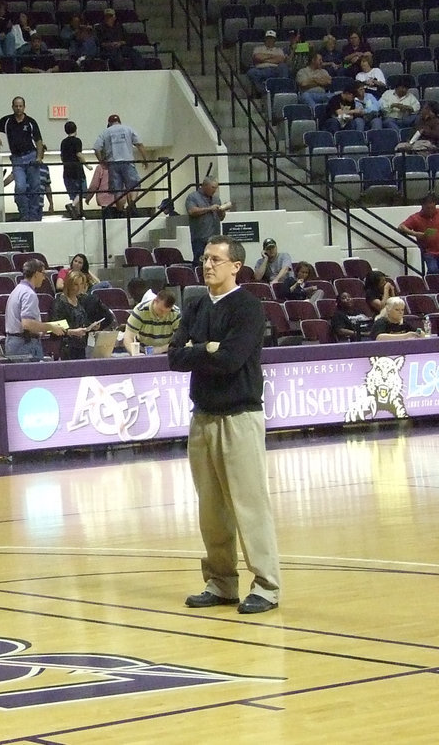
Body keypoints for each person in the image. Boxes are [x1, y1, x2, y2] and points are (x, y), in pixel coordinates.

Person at [168, 234, 280, 615]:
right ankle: (221, 582)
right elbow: (173, 357)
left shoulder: (248, 307)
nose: (208, 264)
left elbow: (231, 359)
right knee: (211, 510)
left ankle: (266, 585)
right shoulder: (196, 305)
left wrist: (198, 351)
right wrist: (207, 350)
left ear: (236, 266)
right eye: (204, 258)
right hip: (202, 418)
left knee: (249, 506)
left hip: (239, 419)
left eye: (216, 259)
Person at [0, 96, 46, 222]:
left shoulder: (31, 122)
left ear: (24, 107)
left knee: (35, 186)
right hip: (17, 159)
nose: (18, 108)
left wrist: (38, 157)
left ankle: (33, 215)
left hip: (31, 156)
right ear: (12, 107)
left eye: (21, 106)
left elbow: (38, 140)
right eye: (16, 106)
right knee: (20, 187)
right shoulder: (7, 121)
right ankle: (24, 214)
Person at [4, 259, 70, 360]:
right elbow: (27, 324)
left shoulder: (17, 290)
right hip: (25, 345)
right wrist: (51, 327)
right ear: (36, 274)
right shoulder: (29, 294)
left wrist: (43, 328)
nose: (44, 278)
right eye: (43, 274)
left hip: (14, 343)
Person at [49, 270, 113, 360]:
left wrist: (92, 326)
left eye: (81, 284)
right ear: (69, 284)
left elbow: (81, 321)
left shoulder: (81, 300)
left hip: (81, 347)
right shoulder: (59, 303)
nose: (79, 288)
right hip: (65, 349)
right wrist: (72, 332)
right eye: (76, 284)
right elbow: (53, 328)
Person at [92, 114, 148, 212]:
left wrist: (102, 162)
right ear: (119, 121)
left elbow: (96, 148)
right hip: (127, 161)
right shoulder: (128, 129)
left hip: (113, 163)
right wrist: (145, 159)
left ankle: (120, 211)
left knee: (117, 190)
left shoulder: (105, 132)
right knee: (134, 185)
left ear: (109, 123)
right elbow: (139, 144)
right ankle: (132, 203)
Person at [185, 176, 231, 264]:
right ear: (205, 186)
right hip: (200, 238)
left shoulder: (216, 199)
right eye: (213, 187)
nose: (215, 190)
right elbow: (192, 211)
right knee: (201, 262)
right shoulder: (193, 197)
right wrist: (209, 209)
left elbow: (221, 218)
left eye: (216, 188)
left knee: (216, 263)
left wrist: (221, 210)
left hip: (215, 238)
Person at [122, 289, 181, 355]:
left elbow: (180, 338)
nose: (163, 315)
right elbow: (128, 337)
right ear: (155, 301)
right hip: (142, 352)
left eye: (167, 312)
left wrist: (161, 349)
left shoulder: (175, 313)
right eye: (161, 310)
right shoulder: (140, 311)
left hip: (167, 352)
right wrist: (135, 353)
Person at [397, 192, 439, 274]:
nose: (431, 210)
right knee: (433, 270)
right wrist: (416, 234)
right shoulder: (416, 218)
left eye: (432, 208)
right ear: (422, 206)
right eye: (428, 208)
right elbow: (401, 227)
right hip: (429, 251)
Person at [59, 120, 87, 219]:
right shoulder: (77, 141)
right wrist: (87, 165)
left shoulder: (63, 142)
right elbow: (79, 154)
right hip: (77, 170)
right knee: (82, 191)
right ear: (75, 129)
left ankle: (78, 214)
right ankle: (73, 206)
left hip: (67, 170)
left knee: (74, 195)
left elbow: (62, 156)